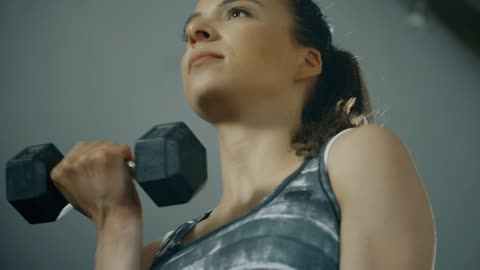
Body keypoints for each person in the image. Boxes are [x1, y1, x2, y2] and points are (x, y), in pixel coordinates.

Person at [49, 0, 437, 269]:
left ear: (306, 60)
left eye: (237, 11)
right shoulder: (153, 257)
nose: (195, 31)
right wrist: (115, 222)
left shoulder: (357, 155)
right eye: (190, 29)